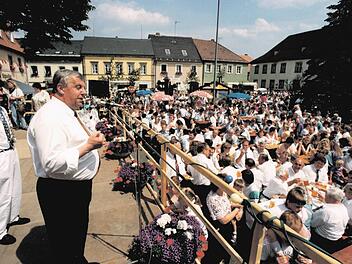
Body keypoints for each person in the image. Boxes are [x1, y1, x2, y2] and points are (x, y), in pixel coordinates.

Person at [27, 69, 105, 263]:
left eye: (83, 87)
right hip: (62, 192)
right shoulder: (50, 117)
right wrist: (89, 146)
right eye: (78, 87)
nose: (83, 92)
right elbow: (52, 163)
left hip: (72, 189)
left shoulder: (66, 112)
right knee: (65, 245)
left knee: (74, 241)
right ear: (60, 89)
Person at [0, 105, 30, 245]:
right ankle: (1, 231)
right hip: (1, 155)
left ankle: (13, 217)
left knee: (15, 187)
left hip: (10, 150)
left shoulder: (2, 110)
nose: (1, 93)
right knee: (3, 193)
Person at [310, 186, 349, 253]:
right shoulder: (343, 208)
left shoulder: (326, 211)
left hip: (323, 240)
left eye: (326, 196)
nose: (325, 197)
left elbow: (312, 224)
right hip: (337, 238)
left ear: (330, 198)